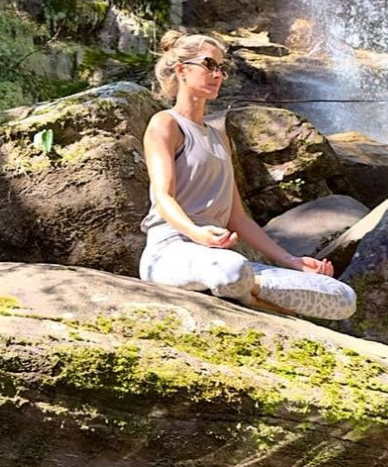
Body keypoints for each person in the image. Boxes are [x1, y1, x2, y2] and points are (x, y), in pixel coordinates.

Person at [138, 30, 357, 320]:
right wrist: (196, 232)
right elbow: (163, 196)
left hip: (217, 258)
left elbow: (237, 218)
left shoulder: (220, 138)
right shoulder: (165, 124)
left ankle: (247, 292)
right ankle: (260, 300)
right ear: (182, 70)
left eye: (221, 68)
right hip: (171, 251)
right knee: (232, 269)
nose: (218, 74)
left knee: (342, 296)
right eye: (209, 65)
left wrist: (292, 261)